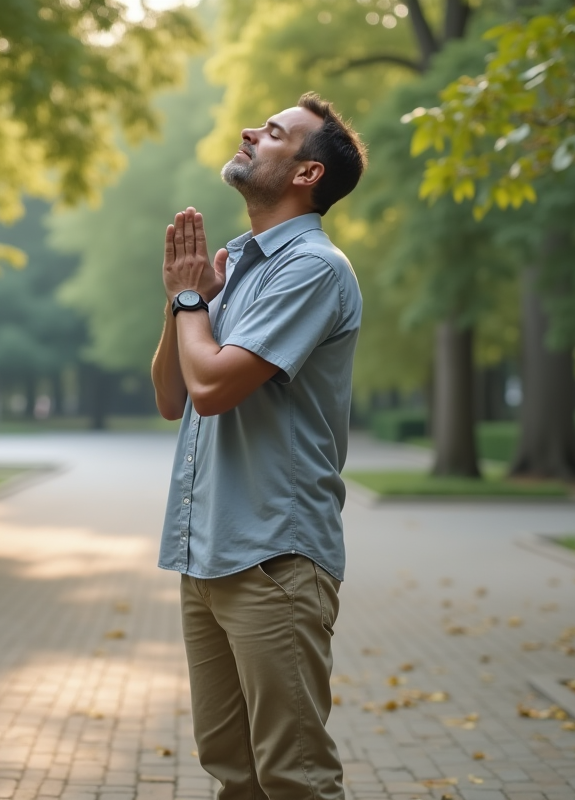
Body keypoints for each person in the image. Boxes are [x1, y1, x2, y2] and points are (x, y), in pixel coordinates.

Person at [150, 92, 367, 800]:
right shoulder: (240, 264)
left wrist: (192, 306)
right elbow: (171, 396)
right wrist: (184, 301)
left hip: (273, 560)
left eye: (273, 132)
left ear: (307, 174)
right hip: (208, 558)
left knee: (293, 778)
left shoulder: (314, 269)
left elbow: (212, 388)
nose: (250, 131)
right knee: (234, 774)